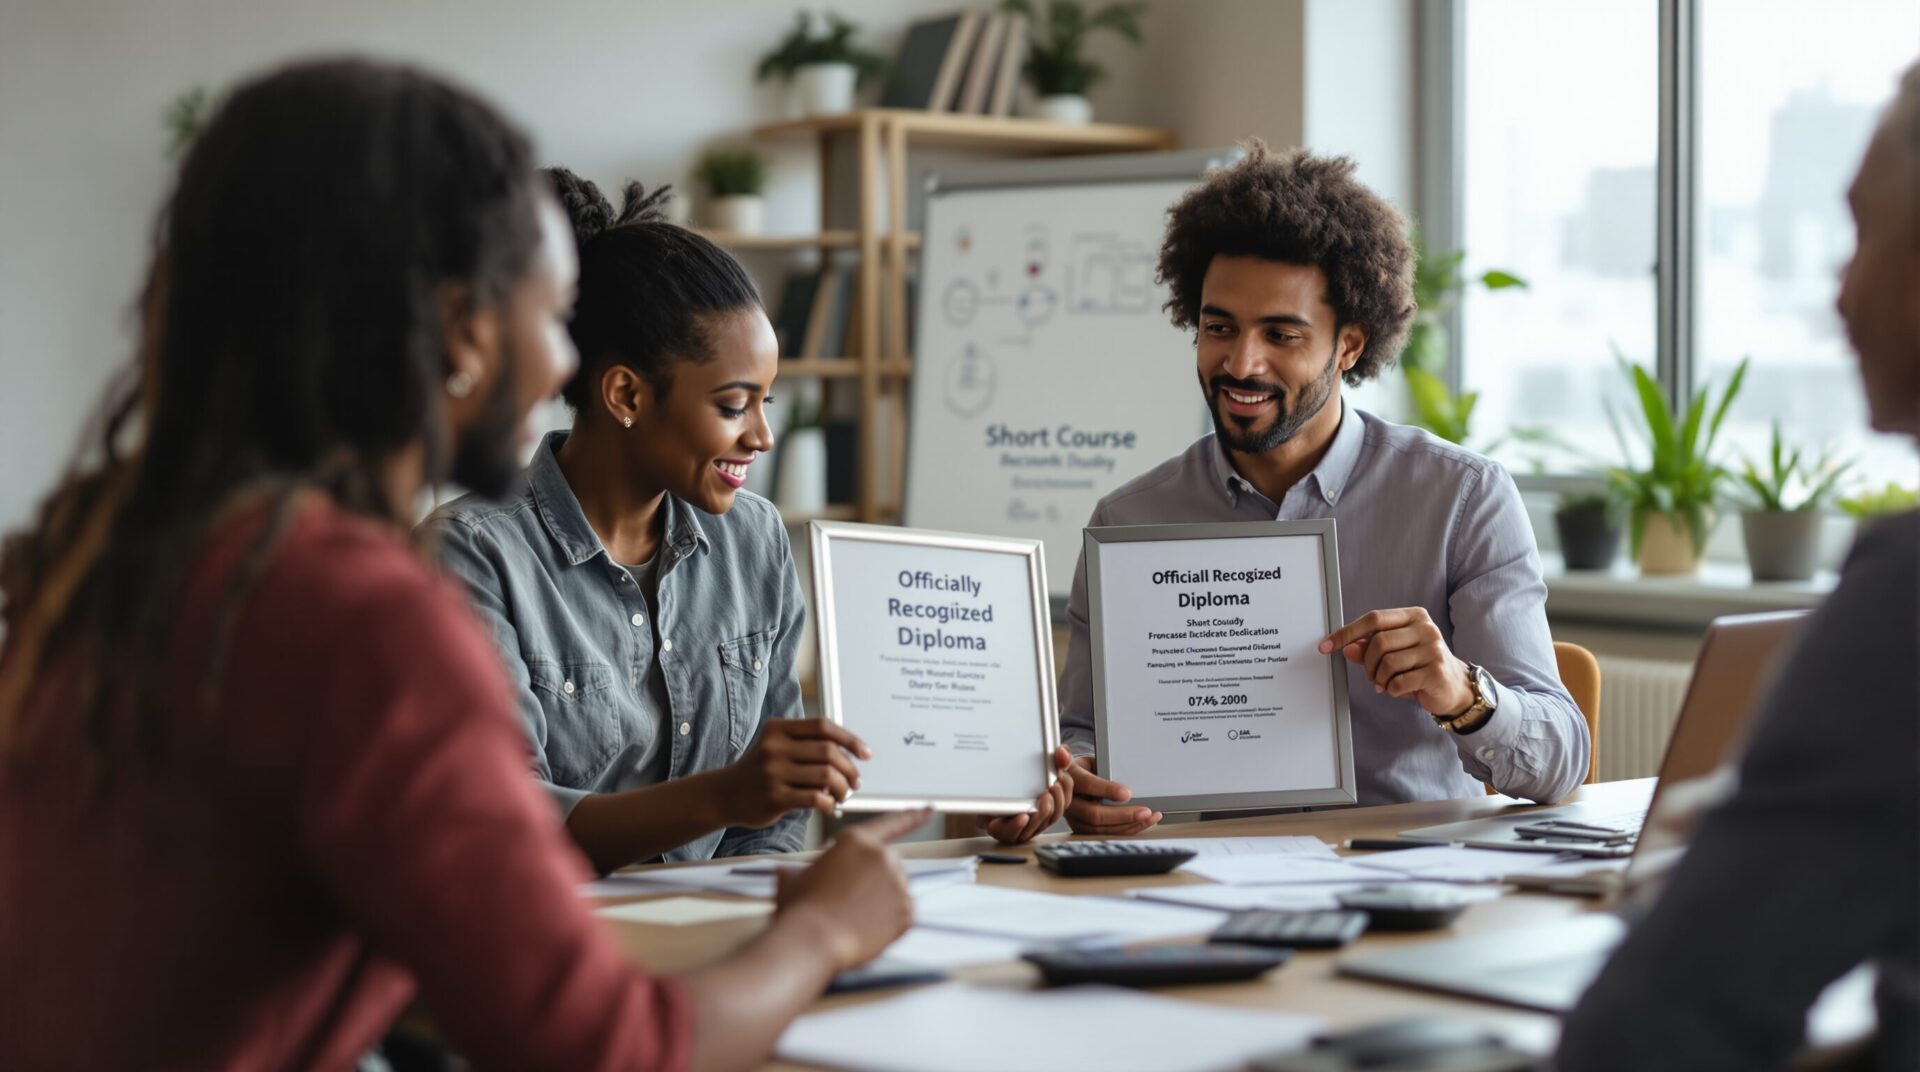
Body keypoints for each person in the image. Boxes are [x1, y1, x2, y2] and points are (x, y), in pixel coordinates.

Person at [0, 58, 922, 1071]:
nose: (565, 363)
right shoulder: (362, 617)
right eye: (549, 310)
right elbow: (605, 1050)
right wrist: (827, 930)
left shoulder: (123, 564)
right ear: (460, 330)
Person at [424, 171, 1072, 870]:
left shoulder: (755, 539)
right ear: (625, 395)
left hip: (729, 932)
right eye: (735, 405)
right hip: (558, 943)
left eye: (768, 401)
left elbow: (780, 815)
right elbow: (501, 821)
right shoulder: (472, 554)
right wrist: (723, 796)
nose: (763, 436)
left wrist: (989, 786)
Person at [1059, 143, 1591, 836]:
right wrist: (1075, 781)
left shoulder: (1462, 498)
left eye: (1281, 334)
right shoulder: (1129, 521)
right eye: (1220, 328)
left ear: (1348, 346)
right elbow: (1083, 735)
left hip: (1408, 875)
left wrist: (1461, 693)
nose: (1241, 362)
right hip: (1205, 879)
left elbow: (1561, 760)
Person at [1556, 65, 1920, 1072]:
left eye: (1864, 235)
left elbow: (1653, 1035)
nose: (1840, 292)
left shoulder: (1908, 606)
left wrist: (1708, 882)